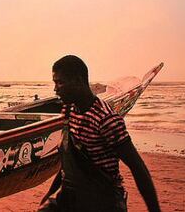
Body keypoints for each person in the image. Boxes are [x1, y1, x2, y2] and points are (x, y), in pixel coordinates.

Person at [39, 55, 160, 212]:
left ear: (78, 81)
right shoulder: (70, 110)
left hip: (102, 200)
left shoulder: (106, 120)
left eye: (60, 82)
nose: (56, 89)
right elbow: (70, 162)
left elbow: (138, 168)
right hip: (71, 195)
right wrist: (49, 195)